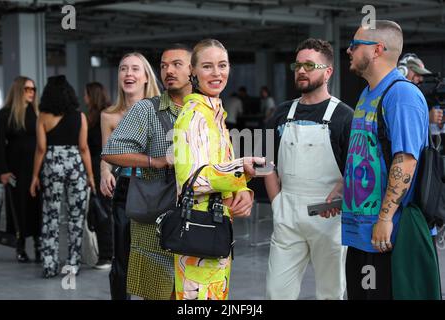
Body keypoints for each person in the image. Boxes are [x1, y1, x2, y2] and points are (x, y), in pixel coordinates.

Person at [332, 20, 429, 299]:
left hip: (385, 236)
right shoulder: (367, 94)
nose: (349, 51)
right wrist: (344, 186)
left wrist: (385, 217)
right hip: (360, 233)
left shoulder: (401, 95)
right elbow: (368, 153)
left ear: (377, 50)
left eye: (355, 45)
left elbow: (406, 160)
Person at [173, 39, 264, 300]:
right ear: (193, 72)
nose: (216, 73)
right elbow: (192, 179)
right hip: (199, 231)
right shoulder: (193, 116)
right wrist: (240, 169)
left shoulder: (215, 113)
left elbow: (220, 166)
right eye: (207, 66)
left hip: (216, 229)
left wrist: (243, 189)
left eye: (222, 65)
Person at [263, 38, 353, 300]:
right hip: (287, 211)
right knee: (276, 292)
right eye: (297, 65)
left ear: (328, 72)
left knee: (330, 292)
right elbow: (265, 161)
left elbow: (358, 168)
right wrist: (276, 202)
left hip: (328, 216)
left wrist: (342, 191)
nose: (301, 70)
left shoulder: (345, 116)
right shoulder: (281, 113)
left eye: (309, 65)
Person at [102, 44, 192, 300]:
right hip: (146, 202)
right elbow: (109, 152)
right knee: (151, 284)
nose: (169, 70)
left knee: (189, 288)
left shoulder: (206, 109)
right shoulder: (144, 110)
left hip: (194, 209)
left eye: (176, 64)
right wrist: (157, 161)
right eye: (164, 65)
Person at [100, 52, 160, 300]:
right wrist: (104, 173)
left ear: (146, 77)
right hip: (125, 188)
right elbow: (106, 154)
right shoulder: (109, 115)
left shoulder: (160, 110)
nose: (129, 74)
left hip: (156, 188)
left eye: (135, 69)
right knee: (122, 257)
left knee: (154, 256)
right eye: (123, 69)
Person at [29, 75, 95, 278]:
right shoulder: (80, 117)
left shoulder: (43, 117)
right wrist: (91, 176)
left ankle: (49, 265)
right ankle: (73, 264)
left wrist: (34, 177)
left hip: (52, 164)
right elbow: (84, 148)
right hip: (75, 164)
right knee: (76, 217)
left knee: (51, 216)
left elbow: (40, 148)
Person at [0, 76, 42, 263]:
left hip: (36, 168)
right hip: (15, 168)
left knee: (37, 205)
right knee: (18, 207)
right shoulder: (5, 114)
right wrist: (2, 171)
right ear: (18, 90)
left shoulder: (36, 113)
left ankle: (39, 243)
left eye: (33, 89)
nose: (31, 92)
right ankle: (20, 245)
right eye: (27, 89)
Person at [84, 82, 113, 269]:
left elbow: (88, 147)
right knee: (105, 211)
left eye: (86, 95)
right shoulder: (106, 114)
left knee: (101, 212)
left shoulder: (98, 118)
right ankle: (108, 253)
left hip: (99, 167)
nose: (84, 98)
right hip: (106, 167)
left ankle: (106, 255)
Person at [398, 53, 443, 126]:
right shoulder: (396, 94)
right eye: (417, 74)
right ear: (403, 71)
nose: (420, 79)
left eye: (422, 75)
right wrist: (426, 117)